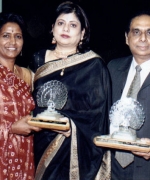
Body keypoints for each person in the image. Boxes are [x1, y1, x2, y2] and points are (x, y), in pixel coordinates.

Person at [29, 1, 111, 180]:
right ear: (52, 28)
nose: (65, 28)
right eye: (61, 23)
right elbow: (29, 103)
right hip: (40, 142)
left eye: (73, 25)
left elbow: (97, 117)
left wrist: (71, 126)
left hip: (74, 149)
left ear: (82, 33)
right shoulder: (38, 59)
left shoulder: (94, 66)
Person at [108, 10, 150, 180]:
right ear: (127, 38)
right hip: (112, 168)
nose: (143, 38)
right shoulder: (112, 69)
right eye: (136, 32)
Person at [0, 13, 41, 180]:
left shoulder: (28, 76)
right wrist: (11, 128)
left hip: (24, 155)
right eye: (5, 36)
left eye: (18, 36)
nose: (12, 42)